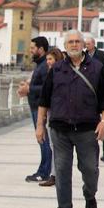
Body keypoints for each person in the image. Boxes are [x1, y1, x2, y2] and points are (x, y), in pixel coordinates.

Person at [36, 29, 104, 208]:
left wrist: (103, 121)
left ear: (84, 45)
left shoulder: (96, 68)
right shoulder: (57, 69)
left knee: (90, 169)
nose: (74, 45)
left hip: (87, 129)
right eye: (71, 42)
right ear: (65, 45)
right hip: (60, 128)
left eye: (78, 41)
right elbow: (44, 100)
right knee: (61, 169)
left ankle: (89, 193)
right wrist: (40, 125)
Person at [18, 36, 52, 183]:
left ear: (41, 49)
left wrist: (29, 88)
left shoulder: (45, 65)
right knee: (42, 140)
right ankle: (42, 170)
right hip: (36, 106)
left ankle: (44, 172)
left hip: (40, 108)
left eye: (33, 48)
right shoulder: (40, 64)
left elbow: (47, 87)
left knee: (43, 140)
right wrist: (27, 86)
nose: (30, 51)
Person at [38, 48, 64, 187]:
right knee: (55, 146)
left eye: (51, 59)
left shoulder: (57, 74)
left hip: (56, 113)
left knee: (56, 145)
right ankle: (55, 174)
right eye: (47, 59)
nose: (48, 62)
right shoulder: (51, 72)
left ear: (57, 60)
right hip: (50, 112)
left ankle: (55, 175)